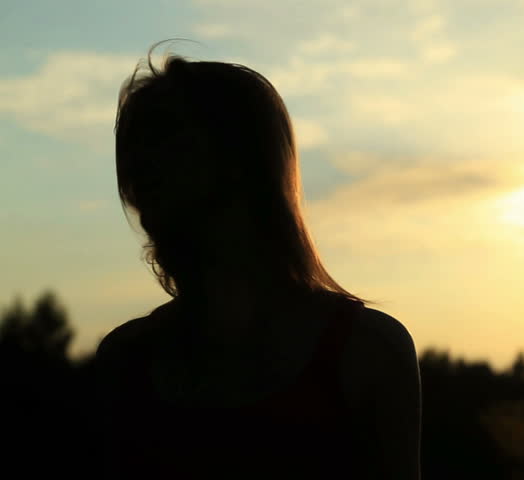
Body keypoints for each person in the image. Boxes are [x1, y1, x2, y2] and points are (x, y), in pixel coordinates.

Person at [94, 51, 421, 479]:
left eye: (168, 139)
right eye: (136, 148)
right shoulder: (125, 363)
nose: (142, 167)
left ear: (242, 160)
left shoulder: (366, 353)